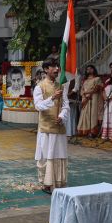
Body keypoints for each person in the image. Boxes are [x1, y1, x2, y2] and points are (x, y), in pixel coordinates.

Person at [33, 59, 69, 194]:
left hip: (58, 126)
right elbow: (38, 106)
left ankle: (58, 181)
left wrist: (62, 116)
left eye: (57, 66)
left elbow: (66, 105)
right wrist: (53, 98)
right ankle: (46, 183)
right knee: (46, 155)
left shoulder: (61, 86)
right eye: (53, 67)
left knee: (58, 154)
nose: (56, 69)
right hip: (46, 128)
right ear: (46, 69)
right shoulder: (39, 86)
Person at [77, 65, 102, 137]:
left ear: (94, 69)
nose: (89, 70)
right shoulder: (85, 80)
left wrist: (87, 93)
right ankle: (84, 130)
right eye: (87, 69)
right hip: (85, 98)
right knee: (85, 114)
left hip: (93, 98)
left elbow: (96, 89)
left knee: (92, 114)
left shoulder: (97, 79)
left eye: (91, 68)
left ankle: (92, 131)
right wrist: (83, 95)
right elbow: (82, 90)